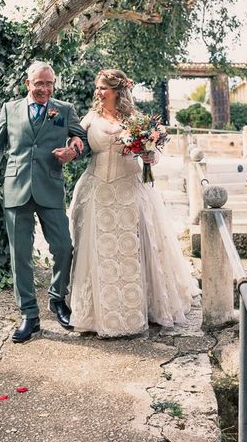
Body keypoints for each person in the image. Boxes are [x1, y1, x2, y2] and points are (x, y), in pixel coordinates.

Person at [68, 69, 200, 338]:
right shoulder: (90, 118)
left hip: (130, 188)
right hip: (97, 190)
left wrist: (151, 157)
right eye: (98, 87)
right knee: (99, 249)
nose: (98, 92)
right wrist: (68, 149)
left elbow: (152, 153)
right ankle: (98, 314)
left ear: (118, 91)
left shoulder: (134, 120)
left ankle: (142, 308)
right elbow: (74, 142)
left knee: (136, 248)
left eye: (103, 87)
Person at [0, 61, 86, 343]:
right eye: (39, 84)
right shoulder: (10, 110)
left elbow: (81, 138)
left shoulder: (64, 109)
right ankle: (29, 315)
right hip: (16, 188)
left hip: (50, 187)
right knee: (20, 256)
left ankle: (57, 298)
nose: (44, 89)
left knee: (63, 247)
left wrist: (72, 151)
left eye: (49, 84)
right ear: (28, 84)